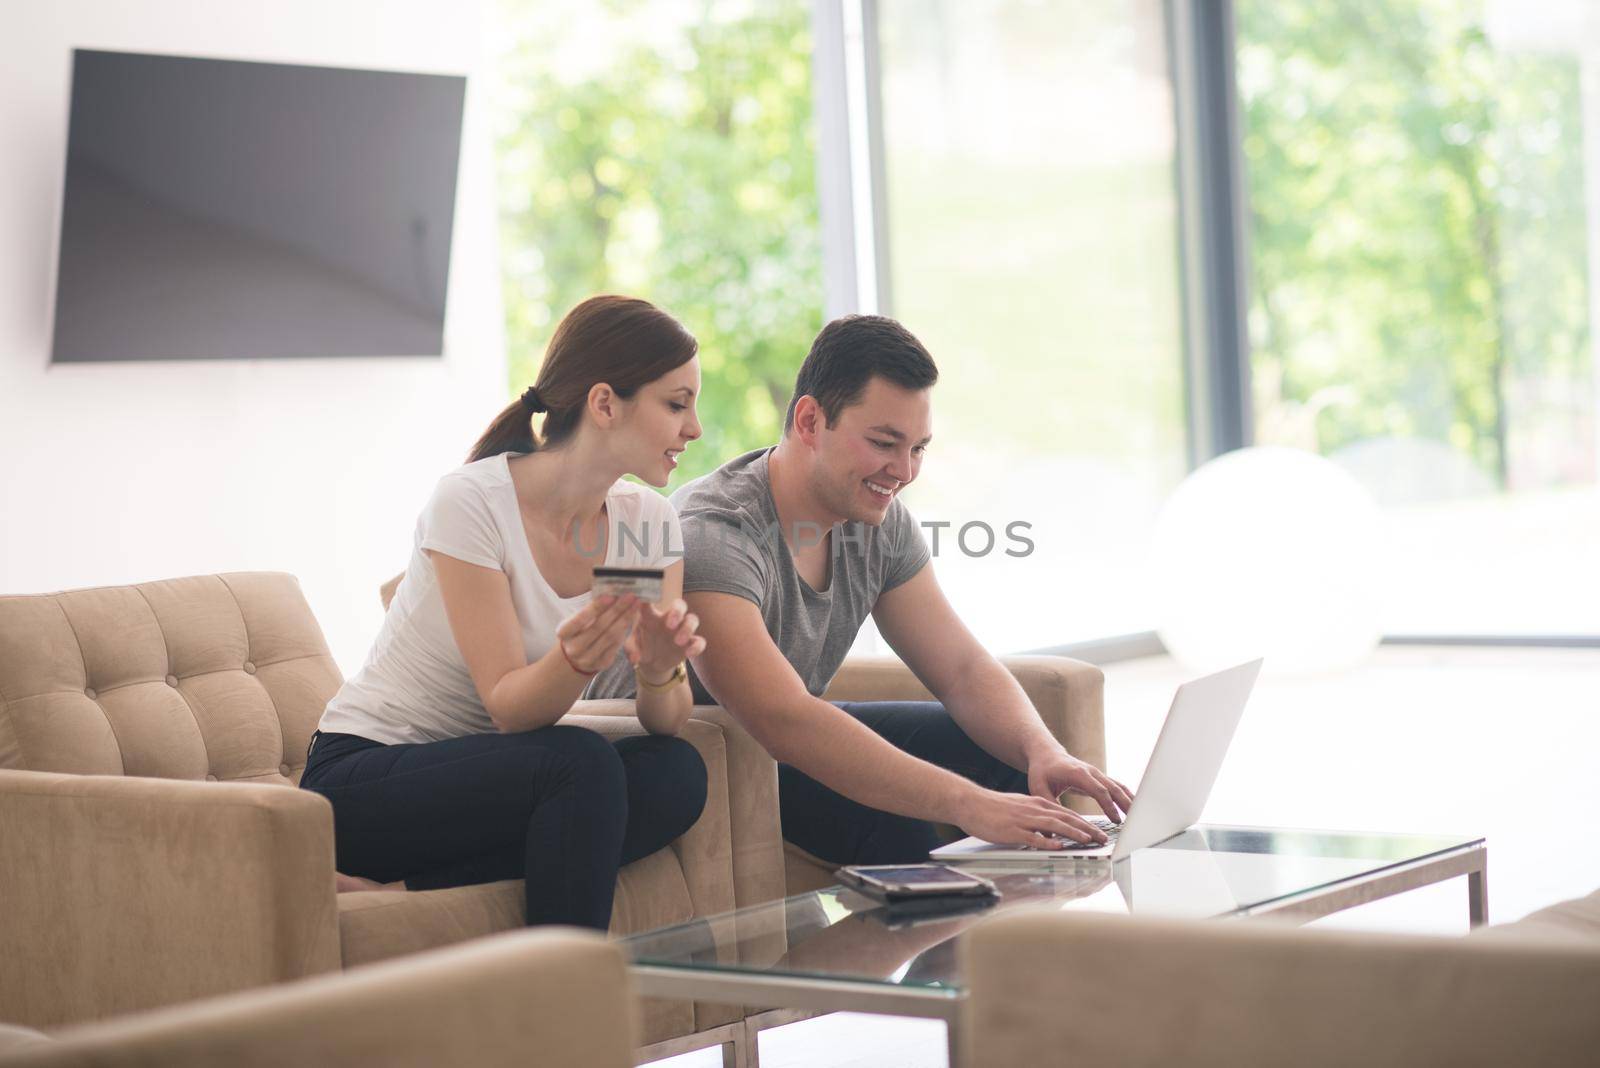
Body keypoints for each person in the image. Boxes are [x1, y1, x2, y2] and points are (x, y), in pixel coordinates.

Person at [590, 314, 1132, 865]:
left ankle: (1026, 945)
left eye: (918, 448)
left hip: (779, 737)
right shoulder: (715, 533)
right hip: (701, 752)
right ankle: (941, 945)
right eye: (883, 443)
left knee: (1009, 763)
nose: (902, 470)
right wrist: (970, 804)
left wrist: (1043, 750)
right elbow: (784, 720)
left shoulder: (877, 519)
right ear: (808, 420)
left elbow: (961, 668)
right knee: (900, 818)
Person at [300, 295, 710, 930]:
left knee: (676, 771)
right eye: (676, 404)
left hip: (497, 779)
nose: (694, 429)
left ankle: (407, 891)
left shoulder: (643, 524)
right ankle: (567, 1003)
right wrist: (578, 658)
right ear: (604, 404)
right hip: (363, 778)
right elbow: (509, 706)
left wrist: (660, 671)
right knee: (579, 763)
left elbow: (666, 719)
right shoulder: (474, 502)